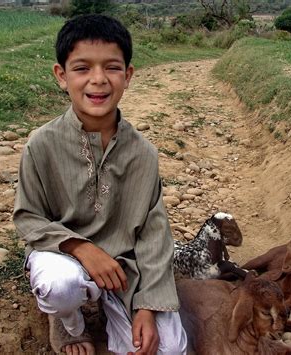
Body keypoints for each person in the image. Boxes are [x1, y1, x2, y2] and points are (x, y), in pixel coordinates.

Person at [13, 14, 187, 355]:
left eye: (111, 67)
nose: (98, 80)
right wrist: (81, 248)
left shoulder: (143, 154)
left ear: (128, 75)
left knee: (169, 349)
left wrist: (148, 307)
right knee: (59, 285)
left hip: (125, 272)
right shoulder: (42, 145)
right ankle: (69, 323)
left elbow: (154, 236)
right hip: (64, 257)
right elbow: (28, 217)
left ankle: (115, 308)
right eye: (82, 68)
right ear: (61, 76)